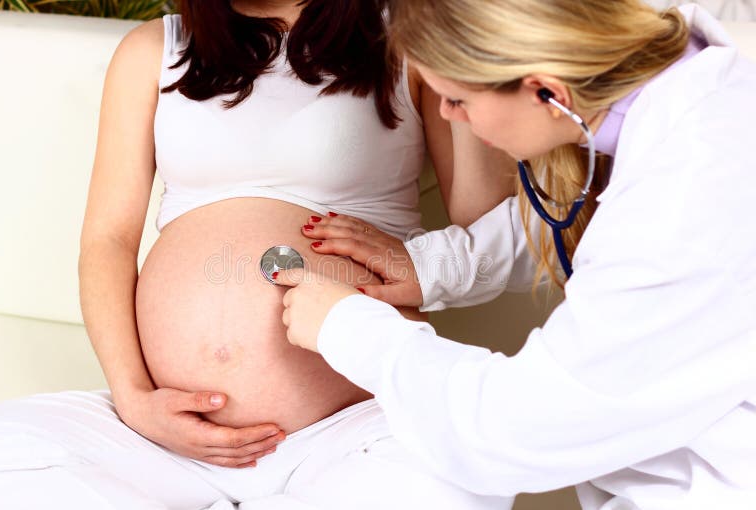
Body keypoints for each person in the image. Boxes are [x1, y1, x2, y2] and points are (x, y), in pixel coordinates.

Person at [0, 0, 516, 509]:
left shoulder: (411, 40)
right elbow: (108, 241)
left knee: (461, 481)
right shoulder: (156, 49)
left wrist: (420, 269)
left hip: (357, 422)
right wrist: (134, 400)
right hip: (161, 441)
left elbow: (495, 240)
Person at [275, 1, 756, 509]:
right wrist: (437, 266)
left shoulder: (693, 192)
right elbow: (585, 219)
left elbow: (519, 429)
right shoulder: (676, 96)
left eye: (457, 98)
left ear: (546, 90)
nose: (446, 115)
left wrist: (350, 329)